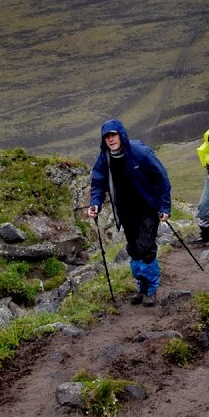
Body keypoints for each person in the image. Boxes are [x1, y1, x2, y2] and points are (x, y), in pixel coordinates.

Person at [87, 119, 171, 307]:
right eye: (107, 137)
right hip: (125, 212)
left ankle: (151, 290)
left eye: (113, 135)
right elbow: (98, 184)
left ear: (121, 135)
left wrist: (165, 207)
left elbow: (162, 178)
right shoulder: (105, 158)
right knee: (133, 249)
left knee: (146, 249)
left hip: (148, 208)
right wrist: (95, 204)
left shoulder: (140, 152)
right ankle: (141, 287)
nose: (110, 139)